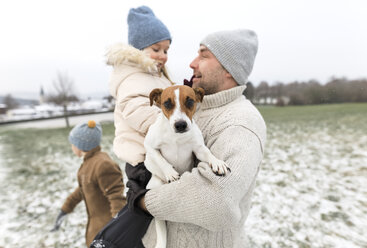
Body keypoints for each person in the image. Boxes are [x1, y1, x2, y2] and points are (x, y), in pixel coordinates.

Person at [128, 29, 267, 247]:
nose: (193, 63)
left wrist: (143, 201)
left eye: (203, 55)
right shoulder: (199, 105)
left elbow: (217, 203)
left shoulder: (241, 123)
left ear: (229, 69)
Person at [89, 5, 173, 248]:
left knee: (148, 214)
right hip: (142, 158)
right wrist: (170, 130)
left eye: (166, 49)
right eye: (156, 48)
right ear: (139, 49)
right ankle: (109, 241)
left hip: (153, 154)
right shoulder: (132, 77)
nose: (163, 54)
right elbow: (138, 112)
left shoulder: (154, 74)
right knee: (140, 210)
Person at [51, 120, 126, 247]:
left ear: (81, 145)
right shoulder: (89, 163)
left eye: (73, 144)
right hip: (95, 229)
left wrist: (115, 230)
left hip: (106, 233)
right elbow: (83, 189)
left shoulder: (102, 165)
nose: (72, 147)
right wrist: (65, 210)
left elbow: (116, 198)